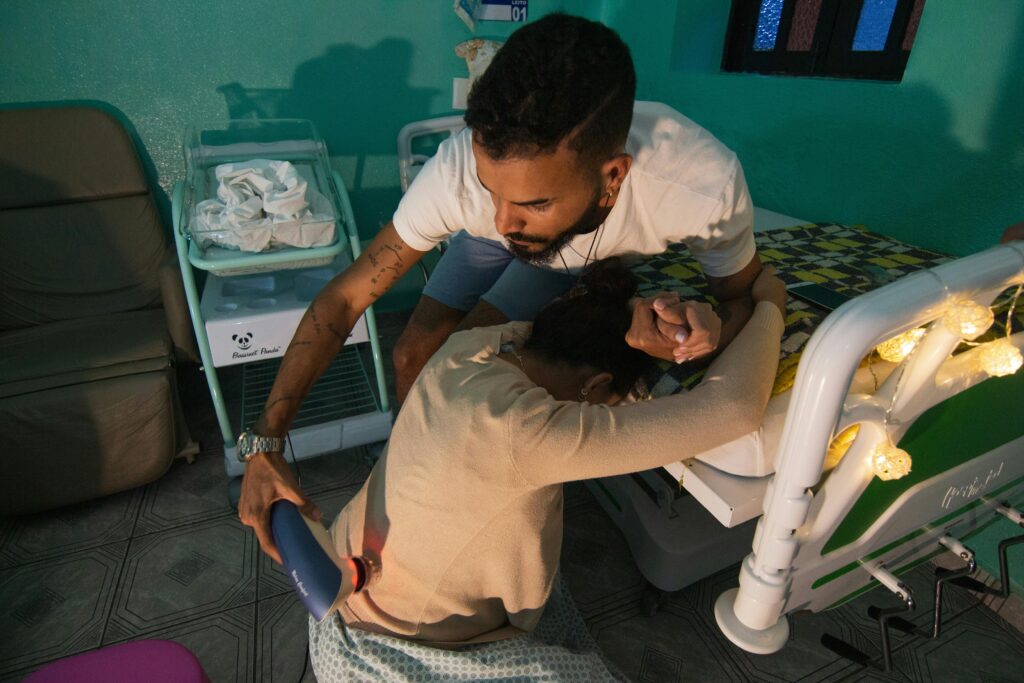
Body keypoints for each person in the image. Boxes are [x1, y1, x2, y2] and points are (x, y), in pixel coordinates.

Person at [239, 12, 762, 559]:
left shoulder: (698, 185)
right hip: (503, 240)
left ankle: (454, 498)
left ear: (613, 178)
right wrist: (265, 440)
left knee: (465, 354)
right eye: (493, 190)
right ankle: (411, 466)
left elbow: (741, 294)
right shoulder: (462, 178)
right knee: (413, 353)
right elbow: (346, 296)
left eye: (533, 202)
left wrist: (707, 326)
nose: (505, 222)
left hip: (574, 256)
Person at [304, 259, 787, 680]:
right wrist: (770, 306)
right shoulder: (532, 432)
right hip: (402, 642)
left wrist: (628, 311)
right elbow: (735, 407)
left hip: (340, 571)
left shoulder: (475, 345)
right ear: (596, 384)